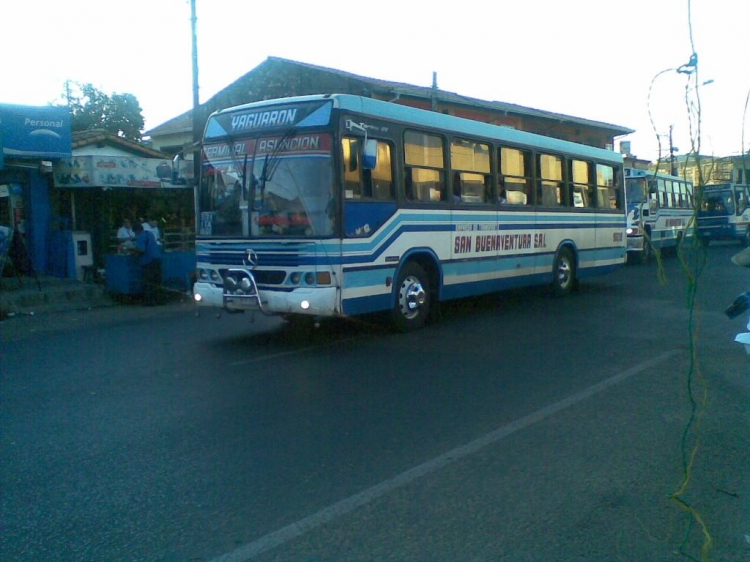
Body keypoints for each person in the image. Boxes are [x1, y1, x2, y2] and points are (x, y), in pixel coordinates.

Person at [134, 222, 163, 306]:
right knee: (157, 281)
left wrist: (131, 249)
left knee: (148, 282)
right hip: (157, 259)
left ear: (137, 231)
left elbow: (141, 250)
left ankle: (149, 301)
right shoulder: (149, 234)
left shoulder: (140, 237)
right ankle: (159, 300)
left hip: (148, 261)